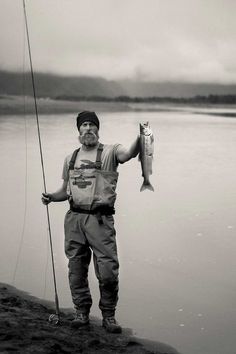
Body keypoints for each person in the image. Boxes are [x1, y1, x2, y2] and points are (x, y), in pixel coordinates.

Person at [42, 111, 140, 333]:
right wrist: (51, 197)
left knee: (107, 271)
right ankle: (81, 313)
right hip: (74, 220)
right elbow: (64, 191)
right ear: (79, 130)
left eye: (91, 125)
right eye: (84, 125)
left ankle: (109, 316)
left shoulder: (111, 152)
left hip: (100, 220)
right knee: (76, 269)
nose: (87, 128)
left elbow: (130, 153)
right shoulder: (70, 158)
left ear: (97, 129)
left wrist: (141, 137)